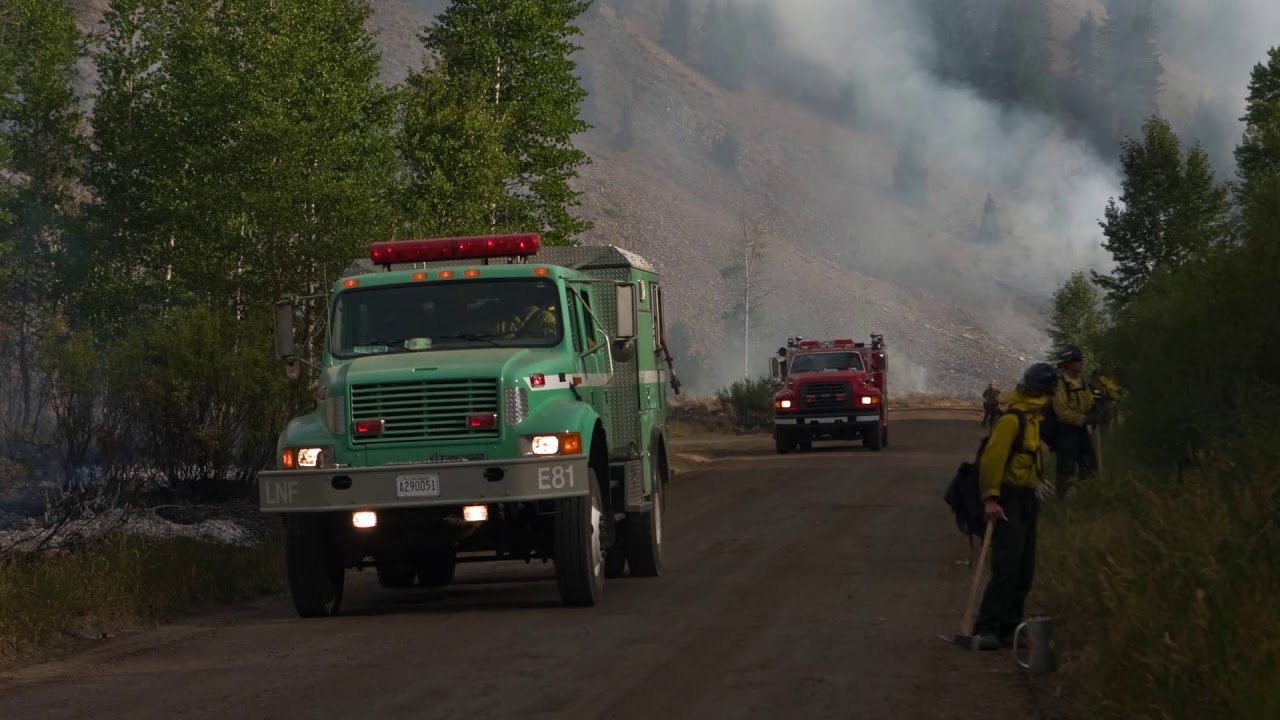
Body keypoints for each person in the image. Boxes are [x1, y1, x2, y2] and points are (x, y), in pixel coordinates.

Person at [972, 361, 1057, 650]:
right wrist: (991, 499)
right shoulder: (1013, 421)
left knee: (1025, 568)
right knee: (1007, 567)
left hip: (1027, 498)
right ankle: (986, 629)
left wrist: (1038, 483)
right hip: (1008, 499)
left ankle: (1011, 628)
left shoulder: (1033, 421)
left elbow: (1030, 459)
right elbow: (992, 461)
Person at [1051, 345, 1096, 499]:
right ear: (1067, 364)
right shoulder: (1060, 384)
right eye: (1077, 360)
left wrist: (1095, 411)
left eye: (1080, 359)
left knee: (1089, 464)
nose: (1081, 362)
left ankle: (1086, 497)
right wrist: (1084, 419)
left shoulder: (1082, 382)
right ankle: (1062, 503)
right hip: (1065, 431)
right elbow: (1062, 412)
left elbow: (1089, 402)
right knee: (1066, 469)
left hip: (1081, 430)